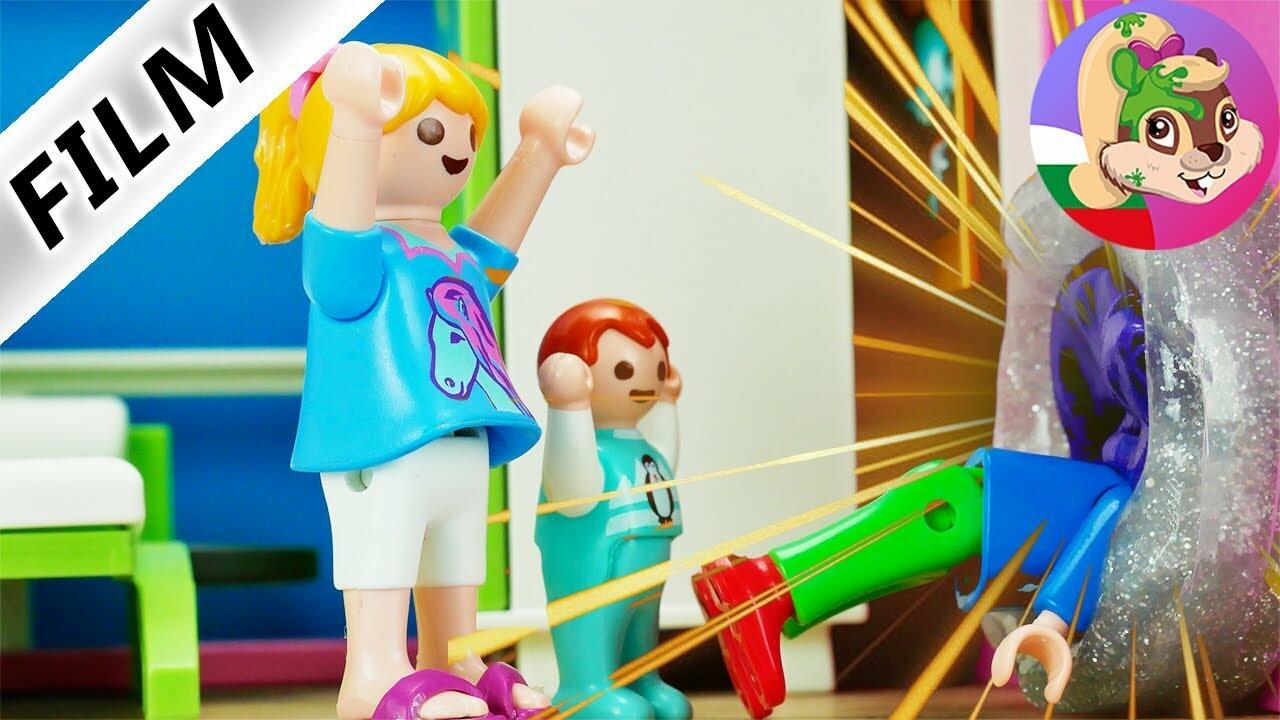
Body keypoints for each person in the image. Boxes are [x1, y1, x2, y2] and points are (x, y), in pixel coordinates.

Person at [252, 42, 593, 720]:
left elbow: (494, 251)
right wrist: (354, 119)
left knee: (456, 563)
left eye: (467, 135)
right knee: (382, 559)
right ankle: (373, 675)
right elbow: (341, 236)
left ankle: (453, 659)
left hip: (461, 437)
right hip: (382, 446)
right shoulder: (352, 253)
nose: (457, 151)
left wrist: (539, 152)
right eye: (432, 131)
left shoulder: (447, 252)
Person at [535, 299, 692, 720]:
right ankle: (585, 687)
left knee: (642, 618)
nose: (645, 381)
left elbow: (664, 463)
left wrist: (668, 404)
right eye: (623, 370)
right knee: (594, 617)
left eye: (657, 370)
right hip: (593, 556)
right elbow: (572, 489)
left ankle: (641, 678)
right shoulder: (587, 448)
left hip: (647, 551)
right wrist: (567, 406)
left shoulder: (638, 445)